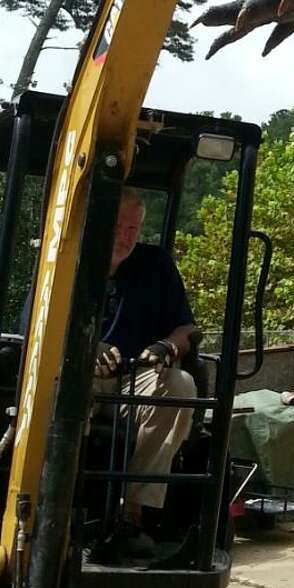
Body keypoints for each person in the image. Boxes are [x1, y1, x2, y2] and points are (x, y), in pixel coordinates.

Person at [93, 188, 199, 557]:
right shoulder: (65, 262)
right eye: (119, 226)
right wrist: (87, 349)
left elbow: (186, 329)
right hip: (77, 376)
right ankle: (52, 502)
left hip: (133, 378)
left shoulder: (155, 265)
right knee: (59, 385)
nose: (125, 236)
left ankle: (132, 515)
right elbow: (36, 332)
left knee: (181, 385)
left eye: (133, 228)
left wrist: (168, 347)